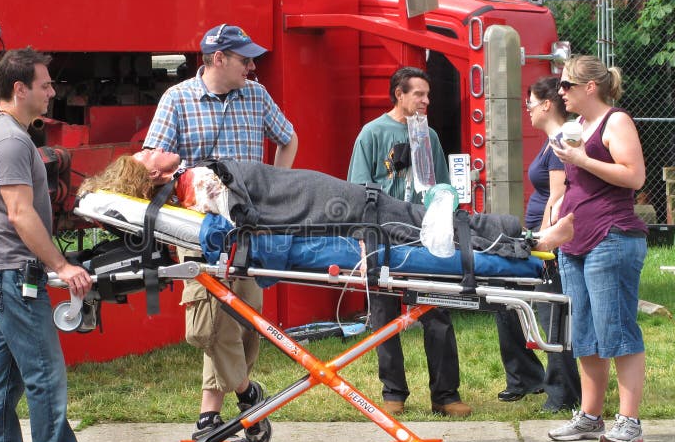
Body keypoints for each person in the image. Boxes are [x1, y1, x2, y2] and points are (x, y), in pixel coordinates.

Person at [142, 23, 298, 442]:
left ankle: (209, 416)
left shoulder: (257, 96)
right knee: (207, 325)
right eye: (244, 59)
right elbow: (151, 160)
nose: (251, 66)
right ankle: (250, 397)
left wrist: (273, 189)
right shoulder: (177, 99)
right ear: (218, 59)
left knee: (245, 321)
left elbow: (288, 139)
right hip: (198, 230)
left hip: (248, 227)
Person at [0, 48, 111, 442]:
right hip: (12, 274)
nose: (52, 92)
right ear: (20, 89)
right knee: (45, 376)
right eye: (45, 85)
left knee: (4, 380)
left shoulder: (2, 133)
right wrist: (62, 266)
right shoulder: (11, 141)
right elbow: (19, 213)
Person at [78, 150, 574, 258]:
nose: (153, 148)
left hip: (321, 199)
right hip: (325, 204)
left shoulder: (193, 183)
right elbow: (237, 217)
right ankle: (524, 240)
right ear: (154, 175)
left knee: (419, 226)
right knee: (419, 231)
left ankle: (524, 238)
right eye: (146, 155)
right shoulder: (197, 183)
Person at [347, 66, 468, 418]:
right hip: (384, 234)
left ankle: (445, 395)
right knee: (384, 314)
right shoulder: (372, 133)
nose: (426, 100)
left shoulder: (429, 136)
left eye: (428, 95)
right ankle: (393, 392)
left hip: (423, 234)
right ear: (399, 94)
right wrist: (364, 238)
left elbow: (443, 190)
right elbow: (358, 190)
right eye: (419, 94)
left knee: (436, 310)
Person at [547, 55, 648, 442]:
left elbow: (634, 176)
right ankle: (590, 416)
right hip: (575, 242)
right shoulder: (578, 125)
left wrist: (582, 159)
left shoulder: (615, 122)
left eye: (567, 85)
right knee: (586, 333)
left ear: (590, 87)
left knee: (617, 330)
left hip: (611, 237)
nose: (560, 92)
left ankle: (630, 421)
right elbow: (575, 186)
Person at [495, 77, 581, 412]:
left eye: (530, 102)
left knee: (550, 313)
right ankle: (525, 377)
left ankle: (562, 393)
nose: (527, 109)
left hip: (547, 240)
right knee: (506, 299)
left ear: (546, 104)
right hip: (535, 234)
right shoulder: (550, 142)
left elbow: (558, 197)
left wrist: (544, 241)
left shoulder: (560, 142)